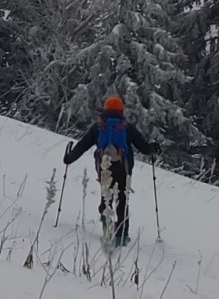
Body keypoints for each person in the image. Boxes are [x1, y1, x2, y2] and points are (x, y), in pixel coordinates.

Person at [63, 95, 158, 245]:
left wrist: (69, 158)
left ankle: (106, 226)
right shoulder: (127, 128)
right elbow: (144, 148)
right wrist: (154, 149)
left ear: (105, 110)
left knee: (106, 196)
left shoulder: (98, 127)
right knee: (122, 200)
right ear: (122, 111)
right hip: (123, 169)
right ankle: (121, 236)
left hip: (104, 167)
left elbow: (82, 146)